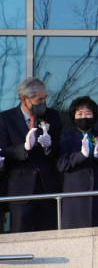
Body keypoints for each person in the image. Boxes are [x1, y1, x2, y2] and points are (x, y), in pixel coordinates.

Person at [0, 77, 62, 232]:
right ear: (24, 99)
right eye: (39, 99)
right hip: (20, 188)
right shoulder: (5, 119)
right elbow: (3, 150)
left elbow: (60, 148)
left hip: (47, 187)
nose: (43, 102)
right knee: (21, 234)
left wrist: (49, 147)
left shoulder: (53, 116)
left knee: (47, 234)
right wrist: (25, 148)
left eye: (45, 98)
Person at [57, 96, 98, 229]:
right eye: (79, 114)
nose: (84, 117)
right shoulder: (65, 137)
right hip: (75, 197)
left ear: (94, 116)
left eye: (88, 113)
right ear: (73, 117)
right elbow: (62, 164)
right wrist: (81, 155)